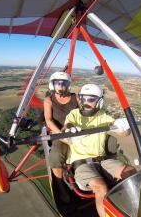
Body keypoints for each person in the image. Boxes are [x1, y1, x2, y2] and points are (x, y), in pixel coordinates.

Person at [63, 84, 136, 217]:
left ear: (99, 102)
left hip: (102, 161)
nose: (86, 103)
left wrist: (123, 127)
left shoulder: (103, 116)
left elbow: (123, 133)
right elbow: (67, 126)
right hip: (81, 162)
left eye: (91, 100)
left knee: (130, 172)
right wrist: (70, 130)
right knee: (100, 187)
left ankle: (133, 209)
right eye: (83, 99)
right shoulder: (74, 114)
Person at [43, 71, 78, 203]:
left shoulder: (76, 98)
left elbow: (83, 115)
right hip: (58, 133)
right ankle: (61, 186)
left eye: (63, 83)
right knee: (56, 157)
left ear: (68, 85)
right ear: (53, 85)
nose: (60, 86)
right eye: (58, 83)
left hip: (75, 131)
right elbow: (49, 120)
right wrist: (61, 135)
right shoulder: (49, 100)